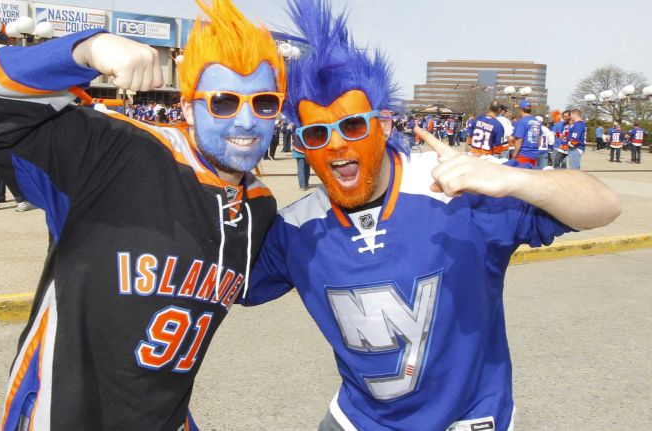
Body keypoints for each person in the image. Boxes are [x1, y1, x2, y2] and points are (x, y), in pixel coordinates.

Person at [242, 1, 621, 429]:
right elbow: (200, 281)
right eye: (316, 133)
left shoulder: (456, 189)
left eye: (352, 126)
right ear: (302, 144)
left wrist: (514, 181)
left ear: (384, 125)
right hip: (357, 420)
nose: (336, 146)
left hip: (469, 421)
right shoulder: (296, 228)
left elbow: (604, 205)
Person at [0, 0, 285, 429]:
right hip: (64, 416)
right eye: (222, 101)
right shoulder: (117, 150)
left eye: (264, 102)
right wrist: (86, 49)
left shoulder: (259, 206)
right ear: (187, 108)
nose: (246, 120)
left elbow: (278, 273)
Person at [510, 100, 541, 166]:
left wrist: (514, 155)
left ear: (521, 109)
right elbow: (539, 141)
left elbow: (519, 140)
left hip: (523, 155)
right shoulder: (537, 121)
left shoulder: (522, 121)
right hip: (534, 155)